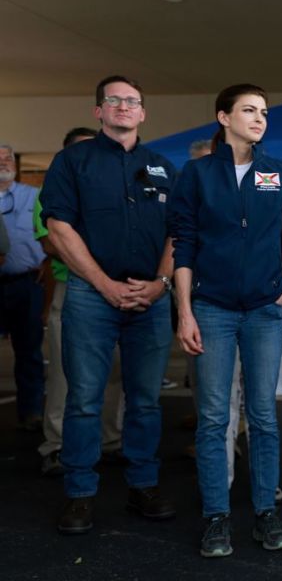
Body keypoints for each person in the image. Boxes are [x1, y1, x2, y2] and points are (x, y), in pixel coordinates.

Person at [170, 83, 282, 557]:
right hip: (210, 309)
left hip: (264, 312)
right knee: (213, 418)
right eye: (248, 110)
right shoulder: (195, 175)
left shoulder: (280, 174)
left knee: (264, 417)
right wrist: (185, 310)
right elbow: (183, 246)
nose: (259, 119)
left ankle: (266, 513)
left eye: (264, 112)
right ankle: (216, 518)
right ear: (223, 117)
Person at [40, 75, 178, 535]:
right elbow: (59, 229)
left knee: (145, 400)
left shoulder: (161, 166)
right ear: (98, 111)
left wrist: (160, 283)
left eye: (132, 101)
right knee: (84, 399)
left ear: (143, 113)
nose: (123, 107)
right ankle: (80, 493)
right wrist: (103, 284)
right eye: (113, 100)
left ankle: (143, 485)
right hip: (90, 297)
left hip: (150, 300)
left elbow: (179, 231)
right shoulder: (72, 162)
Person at [35, 127, 128, 477]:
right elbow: (50, 242)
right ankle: (57, 445)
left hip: (118, 290)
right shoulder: (56, 188)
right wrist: (96, 266)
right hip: (74, 288)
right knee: (65, 372)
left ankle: (109, 440)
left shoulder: (114, 189)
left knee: (115, 372)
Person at [0, 143, 47, 432]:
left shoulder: (35, 195)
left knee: (29, 350)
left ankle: (31, 411)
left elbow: (52, 231)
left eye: (7, 158)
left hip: (28, 283)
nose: (3, 162)